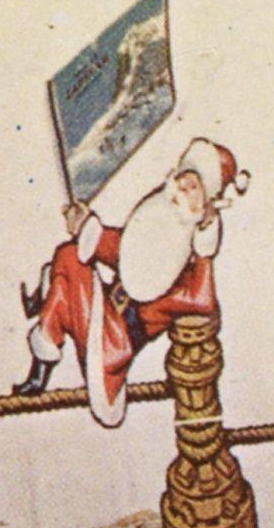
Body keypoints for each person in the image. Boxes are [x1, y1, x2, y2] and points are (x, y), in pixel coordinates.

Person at [17, 138, 249, 426]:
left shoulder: (180, 276)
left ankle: (42, 328)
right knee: (70, 255)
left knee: (68, 262)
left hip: (113, 346)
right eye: (182, 181)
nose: (181, 190)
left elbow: (203, 299)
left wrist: (205, 246)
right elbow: (107, 245)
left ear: (205, 207)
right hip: (99, 319)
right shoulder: (149, 233)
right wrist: (83, 222)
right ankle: (40, 369)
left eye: (193, 189)